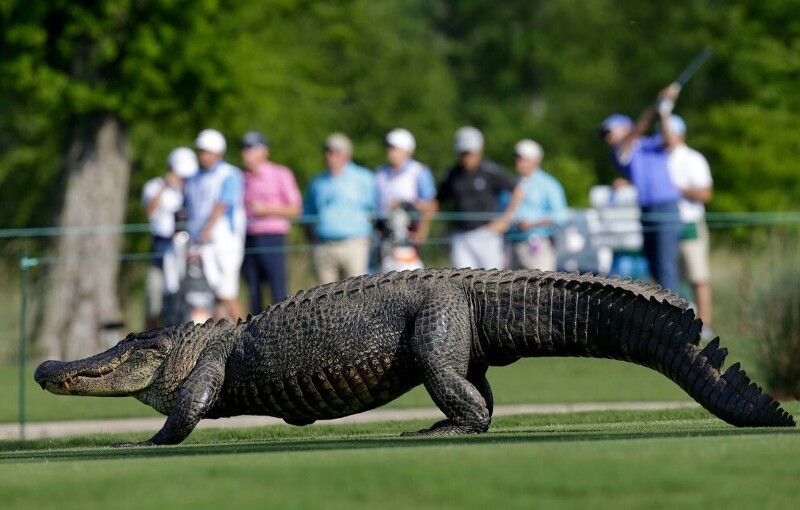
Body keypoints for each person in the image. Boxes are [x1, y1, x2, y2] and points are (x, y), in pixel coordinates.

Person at [600, 85, 683, 293]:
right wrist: (657, 105)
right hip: (646, 209)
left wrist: (664, 111)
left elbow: (670, 141)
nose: (607, 137)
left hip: (666, 207)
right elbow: (638, 130)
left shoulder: (650, 144)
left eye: (610, 131)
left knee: (665, 264)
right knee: (654, 264)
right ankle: (668, 312)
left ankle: (677, 317)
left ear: (625, 127)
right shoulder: (619, 152)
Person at [184, 128, 246, 321]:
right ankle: (225, 337)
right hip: (201, 240)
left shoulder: (230, 174)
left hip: (224, 238)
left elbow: (223, 204)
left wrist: (207, 228)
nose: (202, 155)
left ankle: (246, 331)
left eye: (206, 151)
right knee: (213, 294)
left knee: (226, 293)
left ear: (218, 152)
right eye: (201, 150)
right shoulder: (194, 178)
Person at [436, 126, 518, 270]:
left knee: (492, 281)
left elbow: (517, 190)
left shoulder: (490, 171)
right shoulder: (452, 174)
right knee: (462, 282)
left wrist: (506, 219)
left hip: (487, 234)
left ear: (479, 152)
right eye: (463, 153)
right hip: (461, 236)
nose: (467, 157)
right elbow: (437, 201)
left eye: (470, 153)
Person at [240, 131, 302, 313]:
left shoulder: (280, 174)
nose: (245, 153)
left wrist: (267, 210)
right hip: (248, 237)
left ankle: (283, 333)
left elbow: (296, 208)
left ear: (264, 151)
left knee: (278, 290)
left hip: (273, 236)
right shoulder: (242, 177)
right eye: (244, 148)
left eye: (250, 148)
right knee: (253, 291)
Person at [665, 114, 715, 338]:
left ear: (680, 134)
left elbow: (705, 193)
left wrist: (676, 189)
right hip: (665, 224)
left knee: (697, 276)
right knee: (669, 277)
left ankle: (705, 325)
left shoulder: (693, 159)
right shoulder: (659, 158)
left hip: (689, 224)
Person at [303, 132, 377, 284]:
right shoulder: (317, 181)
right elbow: (307, 214)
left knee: (357, 296)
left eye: (335, 151)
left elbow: (375, 209)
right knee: (325, 299)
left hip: (355, 245)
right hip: (323, 245)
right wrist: (312, 239)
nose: (330, 155)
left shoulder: (364, 178)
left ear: (347, 154)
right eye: (328, 151)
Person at [141, 147, 198, 328]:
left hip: (184, 249)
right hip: (160, 246)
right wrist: (166, 186)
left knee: (183, 300)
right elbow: (149, 211)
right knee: (154, 301)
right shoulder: (154, 186)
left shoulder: (191, 189)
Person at [374, 128, 437, 270]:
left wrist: (421, 228)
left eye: (395, 148)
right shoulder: (380, 173)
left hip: (409, 239)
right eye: (389, 148)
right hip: (384, 238)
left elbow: (431, 205)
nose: (390, 152)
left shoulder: (419, 172)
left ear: (407, 151)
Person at [508, 139, 568, 272]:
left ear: (536, 161)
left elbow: (561, 216)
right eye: (517, 158)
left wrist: (533, 223)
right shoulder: (511, 183)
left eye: (524, 159)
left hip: (539, 244)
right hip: (513, 244)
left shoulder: (549, 184)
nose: (519, 162)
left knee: (541, 289)